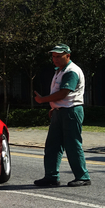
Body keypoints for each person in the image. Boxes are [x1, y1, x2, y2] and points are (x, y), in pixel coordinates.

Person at [33, 44, 91, 187]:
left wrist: (43, 100)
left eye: (59, 56)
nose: (55, 59)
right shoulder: (60, 70)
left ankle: (83, 177)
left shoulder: (71, 71)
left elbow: (64, 93)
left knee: (72, 145)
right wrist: (55, 107)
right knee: (53, 145)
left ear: (68, 56)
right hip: (61, 111)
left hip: (71, 111)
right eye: (53, 56)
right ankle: (51, 176)